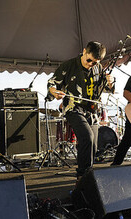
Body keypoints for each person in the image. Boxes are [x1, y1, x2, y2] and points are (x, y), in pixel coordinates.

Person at [47, 41, 114, 182]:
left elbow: (105, 88)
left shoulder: (99, 68)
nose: (91, 64)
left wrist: (110, 82)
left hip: (92, 110)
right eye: (89, 60)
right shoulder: (68, 65)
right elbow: (53, 82)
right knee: (87, 137)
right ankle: (83, 177)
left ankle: (87, 174)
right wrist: (54, 92)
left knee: (94, 146)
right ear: (84, 51)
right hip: (74, 108)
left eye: (95, 62)